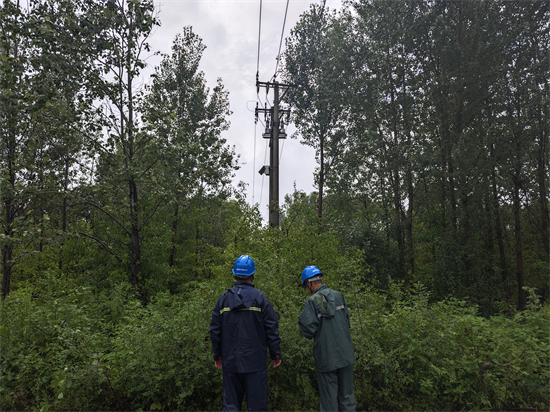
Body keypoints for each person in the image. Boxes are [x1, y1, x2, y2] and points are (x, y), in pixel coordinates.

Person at [210, 255, 282, 411]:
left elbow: (215, 330)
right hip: (255, 363)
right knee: (257, 407)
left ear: (235, 274)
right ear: (252, 275)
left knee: (231, 407)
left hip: (230, 362)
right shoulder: (260, 299)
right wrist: (275, 354)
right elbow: (271, 328)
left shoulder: (223, 299)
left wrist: (218, 355)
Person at [298, 265, 356, 412]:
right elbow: (347, 323)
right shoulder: (339, 296)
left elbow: (308, 331)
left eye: (306, 286)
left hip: (326, 358)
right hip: (345, 355)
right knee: (347, 398)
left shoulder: (311, 302)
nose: (306, 289)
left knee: (329, 402)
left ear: (310, 283)